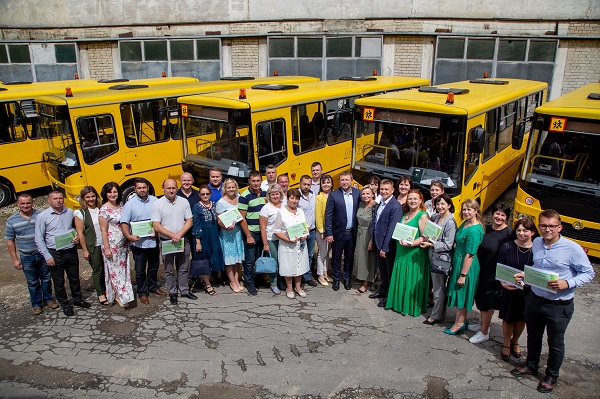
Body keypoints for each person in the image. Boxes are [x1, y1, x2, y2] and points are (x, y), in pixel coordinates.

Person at [511, 209, 594, 393]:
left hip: (558, 305)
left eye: (551, 226)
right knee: (533, 336)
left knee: (555, 343)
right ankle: (531, 365)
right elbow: (537, 267)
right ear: (539, 227)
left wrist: (568, 283)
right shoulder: (538, 242)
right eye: (543, 226)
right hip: (535, 299)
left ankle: (551, 375)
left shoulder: (572, 248)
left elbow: (589, 273)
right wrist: (526, 276)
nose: (547, 229)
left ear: (559, 227)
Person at [35, 190, 90, 317]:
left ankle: (77, 299)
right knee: (59, 281)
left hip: (70, 250)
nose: (58, 201)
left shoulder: (70, 212)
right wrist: (47, 256)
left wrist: (76, 237)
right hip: (55, 253)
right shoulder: (42, 216)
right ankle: (65, 304)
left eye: (60, 198)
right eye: (55, 199)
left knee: (74, 277)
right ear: (49, 200)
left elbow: (75, 228)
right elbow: (39, 238)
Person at [5, 192, 58, 315]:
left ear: (32, 202)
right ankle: (36, 304)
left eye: (28, 203)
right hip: (27, 256)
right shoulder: (12, 220)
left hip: (43, 253)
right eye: (22, 203)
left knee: (46, 279)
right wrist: (15, 259)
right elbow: (10, 241)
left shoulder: (41, 215)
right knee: (32, 282)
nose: (25, 205)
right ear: (18, 204)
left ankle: (49, 299)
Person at [468, 203, 512, 344]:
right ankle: (483, 324)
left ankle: (484, 332)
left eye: (503, 215)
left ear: (507, 217)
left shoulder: (508, 234)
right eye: (497, 213)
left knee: (486, 302)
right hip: (481, 269)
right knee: (481, 300)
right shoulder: (485, 228)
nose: (499, 217)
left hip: (493, 274)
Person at [121, 178, 167, 305]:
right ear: (135, 189)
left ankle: (153, 287)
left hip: (153, 241)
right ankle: (142, 292)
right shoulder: (129, 204)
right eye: (139, 188)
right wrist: (129, 236)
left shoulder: (155, 201)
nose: (142, 190)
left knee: (154, 267)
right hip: (138, 243)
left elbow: (161, 219)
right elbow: (124, 223)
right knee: (140, 270)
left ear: (148, 187)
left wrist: (158, 231)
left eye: (144, 187)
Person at [385, 190, 430, 316]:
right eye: (410, 198)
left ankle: (409, 306)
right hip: (401, 251)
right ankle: (398, 303)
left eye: (415, 199)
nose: (412, 201)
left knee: (410, 278)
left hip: (413, 253)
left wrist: (411, 243)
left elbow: (425, 237)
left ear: (421, 200)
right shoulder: (405, 214)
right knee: (402, 276)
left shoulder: (422, 215)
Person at [497, 218, 536, 361]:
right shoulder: (507, 246)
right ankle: (506, 343)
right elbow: (499, 267)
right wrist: (502, 282)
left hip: (528, 291)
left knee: (522, 318)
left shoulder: (538, 249)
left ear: (532, 232)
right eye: (519, 230)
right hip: (510, 289)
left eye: (525, 230)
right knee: (508, 317)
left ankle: (515, 341)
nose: (521, 233)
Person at [152, 179, 196, 305]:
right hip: (167, 241)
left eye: (173, 188)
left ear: (177, 188)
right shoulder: (157, 204)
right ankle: (172, 292)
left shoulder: (183, 201)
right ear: (163, 188)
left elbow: (189, 220)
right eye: (168, 188)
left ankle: (184, 290)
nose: (171, 190)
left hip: (183, 239)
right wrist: (173, 235)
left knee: (183, 268)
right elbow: (156, 225)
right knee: (169, 269)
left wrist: (179, 234)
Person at [444, 199, 484, 335]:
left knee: (461, 292)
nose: (466, 212)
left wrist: (463, 275)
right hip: (458, 260)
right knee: (457, 291)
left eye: (469, 209)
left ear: (476, 211)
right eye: (464, 209)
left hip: (466, 264)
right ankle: (461, 319)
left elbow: (470, 254)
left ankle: (459, 323)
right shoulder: (465, 223)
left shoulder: (474, 230)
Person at [420, 194, 457, 325]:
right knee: (435, 286)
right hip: (431, 254)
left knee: (438, 287)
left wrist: (431, 244)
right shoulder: (436, 217)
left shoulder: (450, 222)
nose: (440, 207)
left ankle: (436, 315)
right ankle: (438, 312)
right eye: (438, 204)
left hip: (441, 258)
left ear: (449, 205)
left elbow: (448, 244)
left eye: (443, 204)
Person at [98, 182, 134, 308]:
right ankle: (119, 296)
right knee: (115, 271)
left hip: (123, 243)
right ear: (105, 194)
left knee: (124, 270)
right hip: (111, 245)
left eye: (115, 192)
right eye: (110, 192)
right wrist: (107, 248)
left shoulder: (121, 205)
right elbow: (103, 230)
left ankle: (125, 294)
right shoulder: (103, 210)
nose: (113, 194)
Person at [368, 179, 403, 306]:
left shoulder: (395, 206)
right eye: (382, 189)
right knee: (382, 271)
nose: (383, 191)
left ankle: (388, 296)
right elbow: (375, 223)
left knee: (389, 272)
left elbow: (392, 228)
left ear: (392, 190)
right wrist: (372, 240)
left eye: (386, 189)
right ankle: (382, 291)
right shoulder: (380, 203)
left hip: (387, 246)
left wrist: (385, 247)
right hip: (378, 242)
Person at [324, 171, 360, 291]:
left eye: (347, 180)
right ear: (339, 181)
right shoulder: (334, 195)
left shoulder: (357, 194)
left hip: (352, 233)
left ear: (351, 180)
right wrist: (329, 233)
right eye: (342, 180)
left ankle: (347, 279)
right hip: (338, 233)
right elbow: (328, 215)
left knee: (349, 258)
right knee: (336, 258)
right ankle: (336, 280)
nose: (345, 182)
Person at [274, 189, 310, 299]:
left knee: (300, 266)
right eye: (292, 198)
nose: (294, 201)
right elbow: (277, 231)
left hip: (301, 244)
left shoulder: (301, 211)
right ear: (288, 199)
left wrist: (305, 235)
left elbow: (307, 226)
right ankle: (289, 288)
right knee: (288, 266)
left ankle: (298, 287)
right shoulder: (281, 212)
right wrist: (288, 239)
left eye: (296, 198)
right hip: (287, 245)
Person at [74, 186, 107, 305]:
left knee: (107, 269)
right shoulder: (80, 213)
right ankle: (100, 293)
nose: (91, 199)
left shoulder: (101, 208)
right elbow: (80, 233)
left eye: (93, 196)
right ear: (83, 198)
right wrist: (85, 250)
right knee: (98, 269)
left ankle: (108, 289)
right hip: (93, 245)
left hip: (106, 244)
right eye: (88, 197)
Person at [192, 185, 225, 296]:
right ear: (199, 195)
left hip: (214, 235)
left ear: (210, 194)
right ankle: (207, 284)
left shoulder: (215, 205)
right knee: (204, 260)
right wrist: (198, 242)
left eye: (207, 194)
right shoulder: (197, 207)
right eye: (203, 194)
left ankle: (212, 278)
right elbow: (196, 225)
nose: (205, 196)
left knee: (214, 257)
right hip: (203, 237)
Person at [238, 170, 268, 296]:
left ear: (261, 181)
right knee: (250, 260)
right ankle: (249, 282)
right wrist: (249, 235)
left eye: (258, 181)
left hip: (263, 232)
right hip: (252, 233)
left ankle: (259, 278)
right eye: (253, 181)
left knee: (260, 257)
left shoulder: (265, 194)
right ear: (249, 181)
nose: (256, 183)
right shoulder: (244, 196)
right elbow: (241, 218)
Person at [216, 178, 245, 293]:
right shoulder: (221, 203)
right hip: (227, 233)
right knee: (229, 259)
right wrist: (226, 227)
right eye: (229, 187)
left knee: (237, 259)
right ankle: (232, 282)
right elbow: (219, 221)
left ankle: (237, 280)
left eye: (233, 187)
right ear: (225, 189)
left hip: (238, 232)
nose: (231, 189)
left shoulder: (239, 198)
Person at [259, 183, 284, 294]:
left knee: (283, 262)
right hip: (271, 239)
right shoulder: (266, 208)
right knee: (274, 262)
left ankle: (282, 281)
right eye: (272, 194)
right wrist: (265, 244)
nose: (275, 196)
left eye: (277, 194)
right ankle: (273, 283)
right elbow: (263, 227)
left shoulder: (285, 205)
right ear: (269, 195)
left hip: (284, 239)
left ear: (280, 195)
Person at [354, 186, 377, 294]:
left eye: (368, 194)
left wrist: (372, 239)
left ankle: (367, 282)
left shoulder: (375, 207)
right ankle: (362, 277)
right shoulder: (361, 204)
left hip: (369, 234)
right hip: (359, 233)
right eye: (363, 194)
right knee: (361, 258)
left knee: (369, 259)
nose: (365, 196)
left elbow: (376, 224)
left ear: (373, 194)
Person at [298, 175, 318, 287]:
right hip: (301, 231)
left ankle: (307, 276)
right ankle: (298, 277)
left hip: (312, 231)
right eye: (304, 184)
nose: (306, 186)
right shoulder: (297, 196)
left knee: (310, 255)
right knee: (300, 255)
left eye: (308, 184)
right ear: (300, 183)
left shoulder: (313, 195)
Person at [315, 174, 333, 285]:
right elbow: (318, 215)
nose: (326, 185)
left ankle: (326, 273)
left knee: (326, 253)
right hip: (322, 231)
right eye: (324, 183)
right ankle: (320, 275)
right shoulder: (319, 197)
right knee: (321, 253)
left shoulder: (333, 195)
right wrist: (322, 230)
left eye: (328, 182)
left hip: (330, 231)